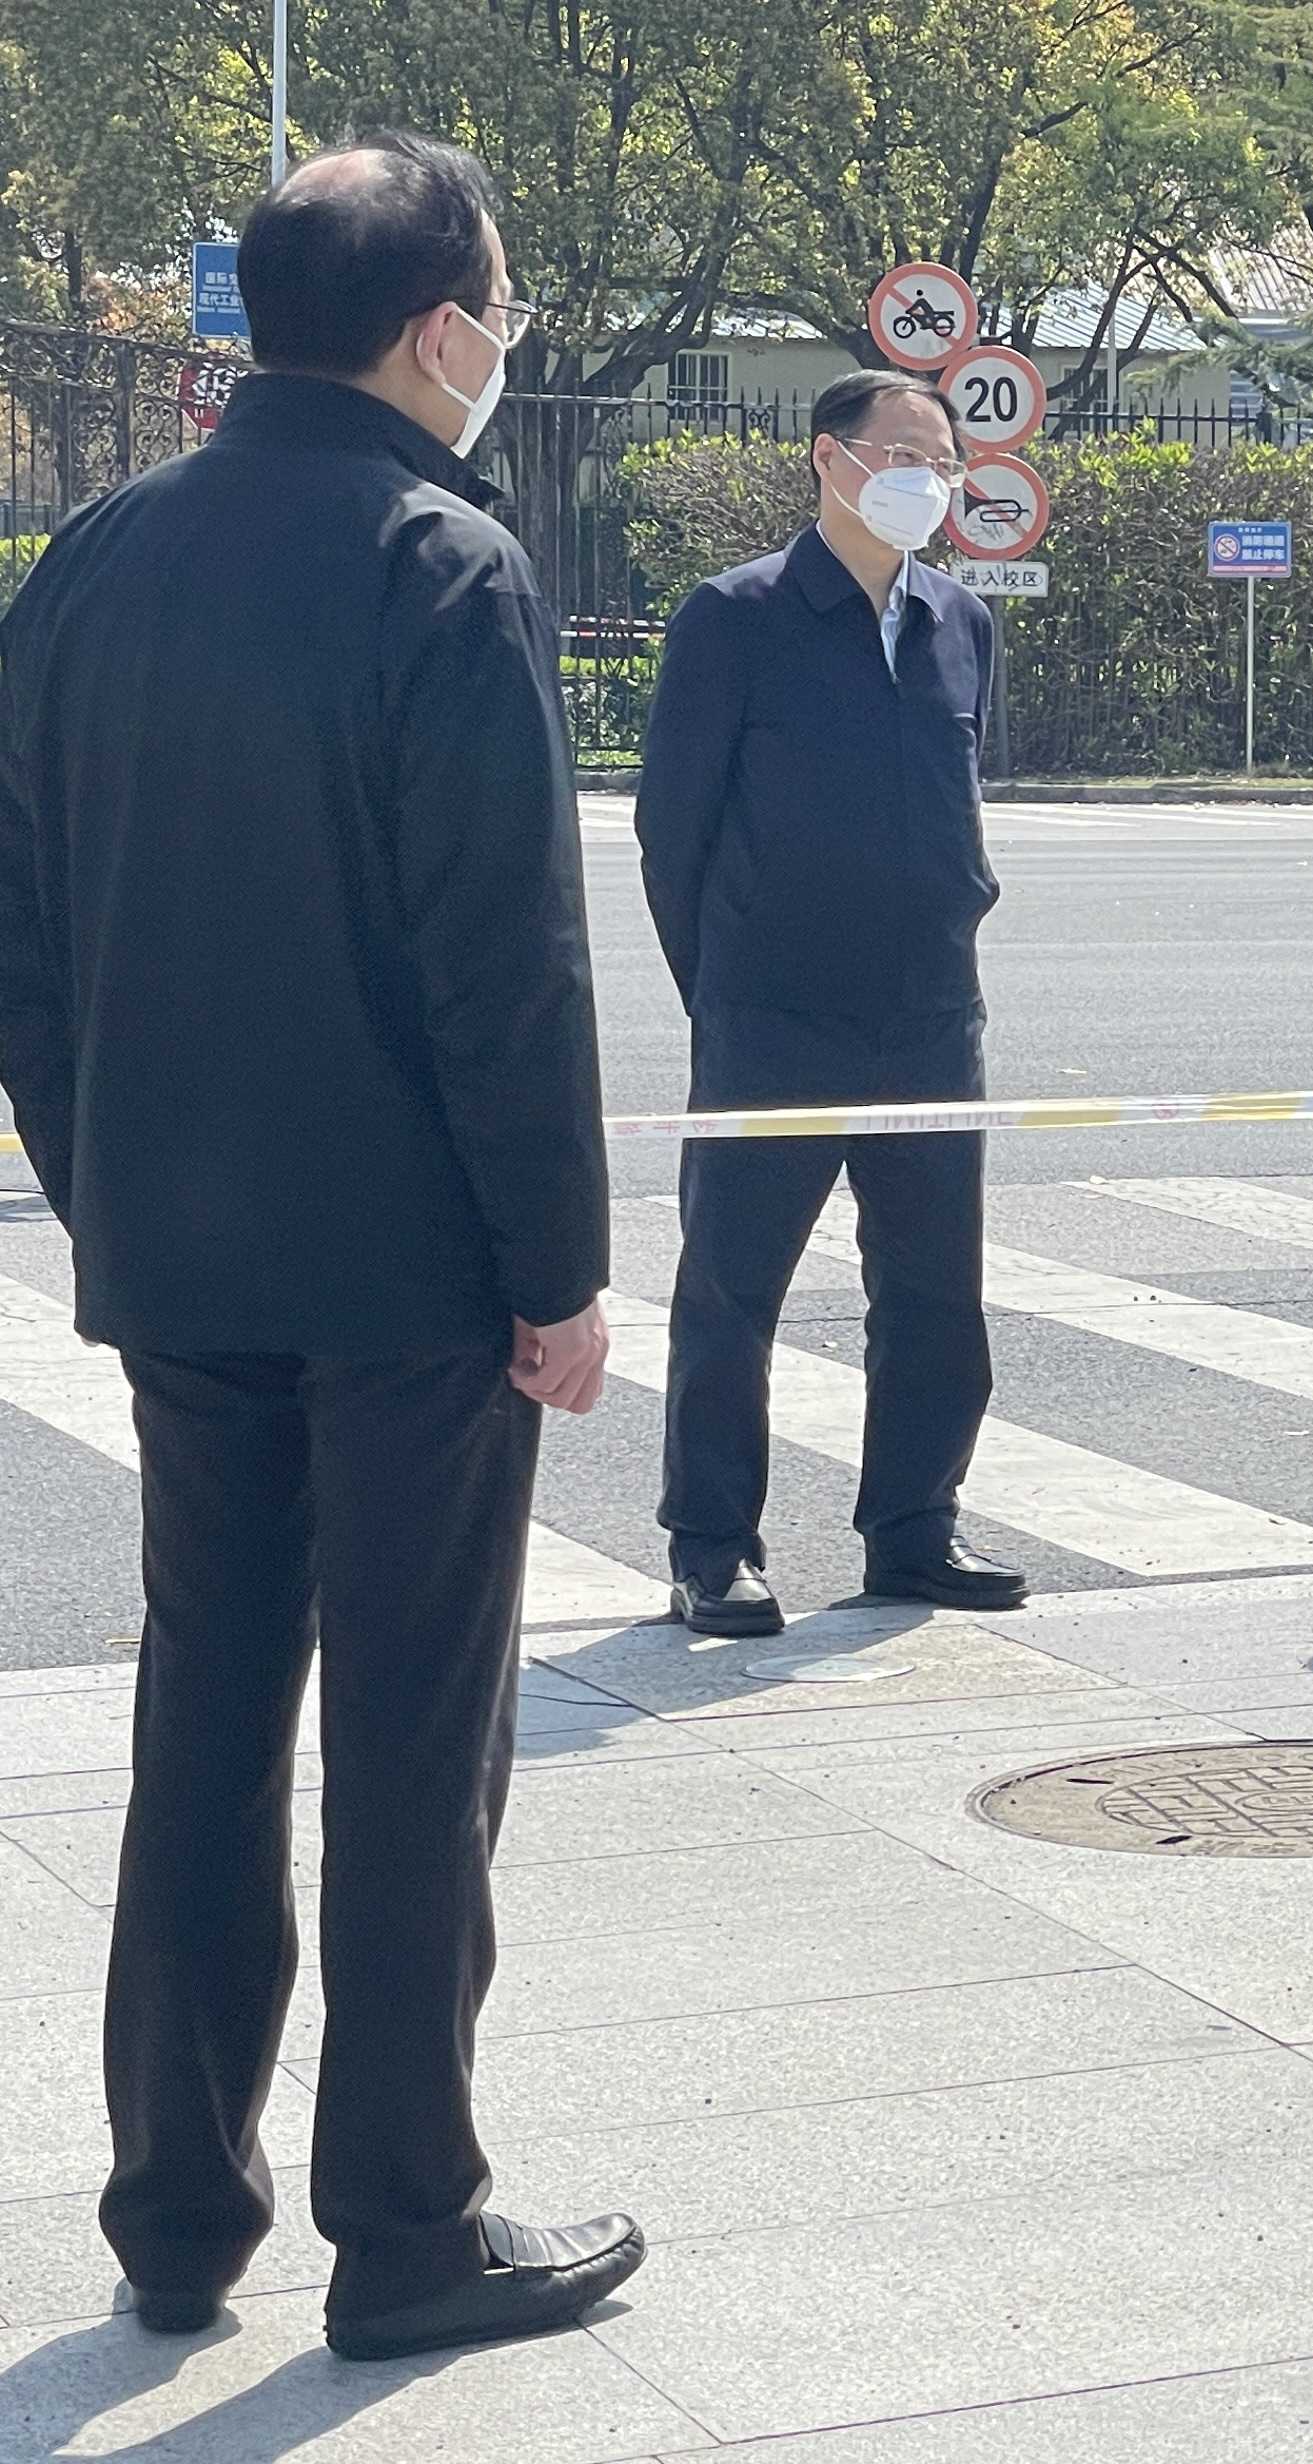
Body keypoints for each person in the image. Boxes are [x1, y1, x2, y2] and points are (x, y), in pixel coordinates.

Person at [0, 133, 645, 2356]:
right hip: (407, 1273)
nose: (504, 338)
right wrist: (553, 1269)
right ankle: (406, 2219)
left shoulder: (92, 557)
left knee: (204, 1710)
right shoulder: (440, 561)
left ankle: (177, 2213)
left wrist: (101, 1180)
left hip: (178, 1252)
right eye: (503, 303)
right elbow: (504, 962)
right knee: (411, 1736)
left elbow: (25, 934)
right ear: (440, 329)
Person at [636, 369, 1021, 1634]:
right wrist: (723, 990)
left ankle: (914, 1527)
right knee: (732, 1289)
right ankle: (712, 1547)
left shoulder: (960, 621)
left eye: (944, 461)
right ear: (828, 459)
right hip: (773, 1018)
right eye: (902, 454)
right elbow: (672, 831)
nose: (927, 479)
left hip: (931, 1015)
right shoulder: (735, 616)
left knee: (933, 1294)